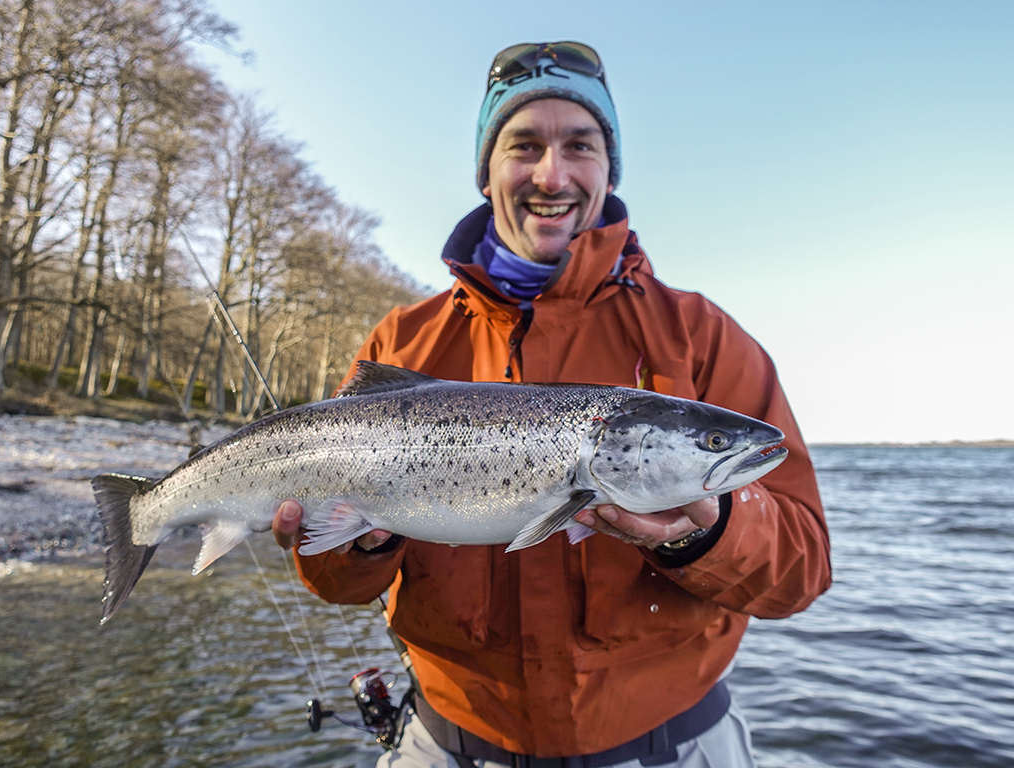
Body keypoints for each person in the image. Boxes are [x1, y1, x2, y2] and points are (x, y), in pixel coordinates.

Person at [274, 41, 831, 767]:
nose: (552, 173)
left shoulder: (703, 337)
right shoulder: (402, 339)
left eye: (580, 144)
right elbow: (334, 581)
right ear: (487, 170)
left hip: (674, 744)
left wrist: (708, 528)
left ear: (609, 166)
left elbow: (802, 570)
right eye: (524, 144)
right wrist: (360, 541)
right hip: (449, 742)